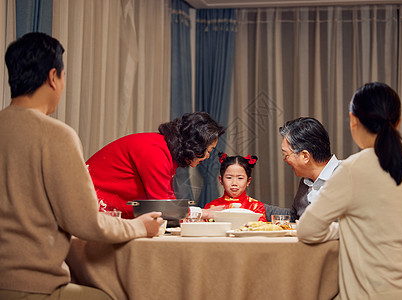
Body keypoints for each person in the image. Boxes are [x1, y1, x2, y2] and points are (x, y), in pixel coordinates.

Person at [0, 32, 164, 300]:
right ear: (54, 77)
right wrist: (141, 227)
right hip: (33, 285)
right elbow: (86, 223)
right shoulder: (55, 135)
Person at [297, 82, 402, 300]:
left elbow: (307, 230)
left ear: (353, 121)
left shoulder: (351, 169)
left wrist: (346, 229)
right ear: (398, 122)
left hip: (376, 294)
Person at [86, 111, 226, 219]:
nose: (207, 156)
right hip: (89, 208)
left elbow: (167, 201)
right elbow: (163, 206)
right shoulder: (155, 151)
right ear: (195, 145)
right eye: (209, 150)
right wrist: (203, 213)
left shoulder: (164, 150)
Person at [265, 117, 340, 222]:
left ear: (305, 156)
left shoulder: (347, 176)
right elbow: (294, 218)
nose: (285, 160)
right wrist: (253, 206)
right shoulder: (306, 182)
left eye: (285, 155)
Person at [204, 152, 267, 221]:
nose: (234, 183)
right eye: (229, 178)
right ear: (221, 180)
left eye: (240, 178)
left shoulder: (257, 207)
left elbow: (260, 230)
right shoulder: (211, 207)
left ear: (248, 181)